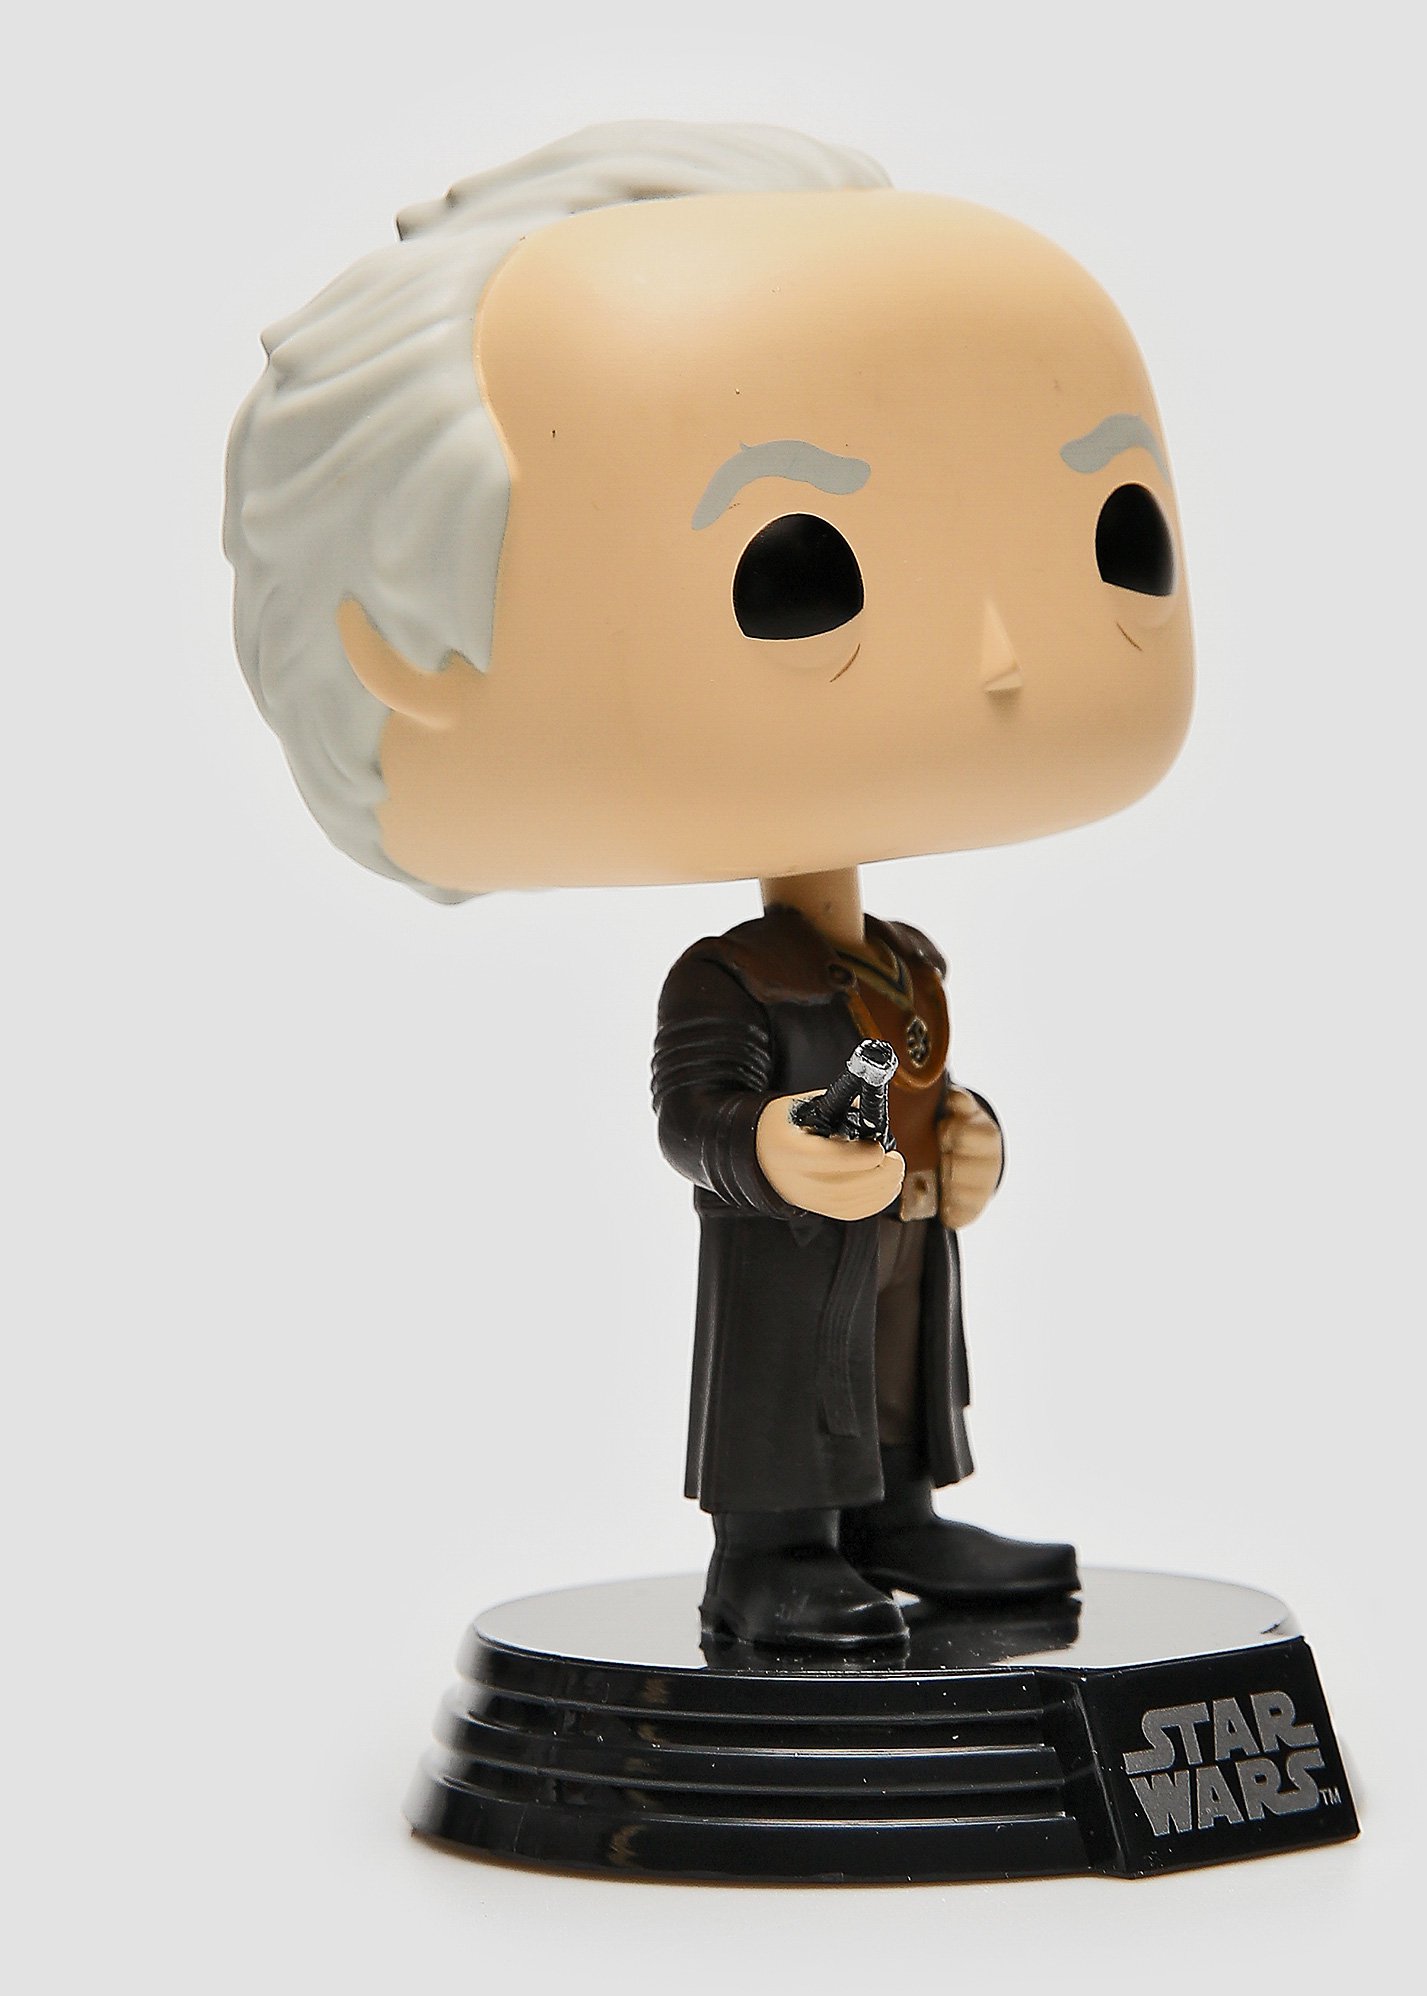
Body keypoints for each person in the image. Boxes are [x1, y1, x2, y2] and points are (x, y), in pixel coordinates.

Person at [225, 120, 1194, 1650]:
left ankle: (901, 1519)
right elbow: (689, 1121)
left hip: (895, 1243)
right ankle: (769, 1559)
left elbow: (929, 1079)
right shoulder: (731, 980)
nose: (1002, 656)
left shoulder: (904, 956)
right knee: (792, 1395)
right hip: (781, 1250)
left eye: (1118, 536)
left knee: (899, 1377)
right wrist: (767, 1152)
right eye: (797, 573)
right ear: (409, 641)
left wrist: (964, 1141)